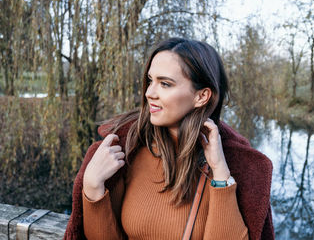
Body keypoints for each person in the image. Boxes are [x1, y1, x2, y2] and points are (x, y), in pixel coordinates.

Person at [64, 38, 274, 240]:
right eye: (150, 80)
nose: (149, 93)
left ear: (201, 96)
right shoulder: (127, 148)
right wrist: (92, 186)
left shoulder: (238, 164)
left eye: (165, 84)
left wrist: (220, 172)